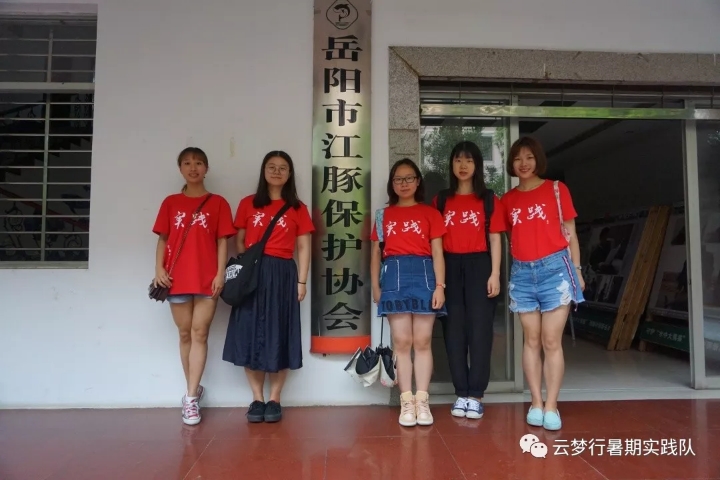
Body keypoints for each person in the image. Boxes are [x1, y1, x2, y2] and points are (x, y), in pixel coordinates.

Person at [500, 136, 585, 431]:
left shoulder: (556, 189)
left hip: (556, 271)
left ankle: (552, 405)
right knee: (531, 340)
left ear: (538, 159)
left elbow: (571, 232)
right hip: (522, 273)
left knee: (551, 340)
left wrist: (577, 270)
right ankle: (536, 401)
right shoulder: (507, 200)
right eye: (517, 158)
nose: (523, 163)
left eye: (529, 157)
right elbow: (510, 236)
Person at [223, 150, 313, 424]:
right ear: (263, 171)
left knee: (280, 333)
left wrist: (301, 281)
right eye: (271, 167)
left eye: (283, 167)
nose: (276, 171)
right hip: (253, 274)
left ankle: (274, 398)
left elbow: (303, 246)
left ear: (289, 174)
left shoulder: (298, 208)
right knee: (249, 332)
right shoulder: (248, 204)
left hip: (283, 273)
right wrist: (249, 269)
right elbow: (240, 242)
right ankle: (257, 398)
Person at [152, 147, 237, 425]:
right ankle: (193, 388)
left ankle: (189, 399)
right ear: (180, 169)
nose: (193, 167)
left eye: (199, 163)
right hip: (175, 279)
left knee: (200, 333)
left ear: (206, 168)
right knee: (185, 334)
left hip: (206, 278)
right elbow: (163, 239)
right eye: (187, 163)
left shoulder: (218, 203)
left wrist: (220, 274)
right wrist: (159, 269)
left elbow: (223, 241)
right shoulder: (170, 202)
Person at [432, 141, 506, 420]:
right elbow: (435, 243)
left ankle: (476, 394)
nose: (463, 166)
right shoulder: (441, 201)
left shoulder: (489, 199)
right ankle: (460, 392)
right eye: (458, 160)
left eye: (469, 160)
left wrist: (495, 273)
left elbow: (495, 239)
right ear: (451, 164)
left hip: (480, 265)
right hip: (449, 266)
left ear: (477, 165)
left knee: (480, 330)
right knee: (453, 331)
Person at [370, 158, 447, 427]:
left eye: (409, 178)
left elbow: (438, 252)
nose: (404, 183)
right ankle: (406, 401)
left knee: (423, 341)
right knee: (402, 342)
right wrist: (376, 287)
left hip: (425, 276)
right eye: (398, 179)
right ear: (392, 184)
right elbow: (375, 254)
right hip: (393, 276)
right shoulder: (383, 216)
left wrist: (440, 286)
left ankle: (422, 401)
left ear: (417, 181)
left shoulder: (431, 214)